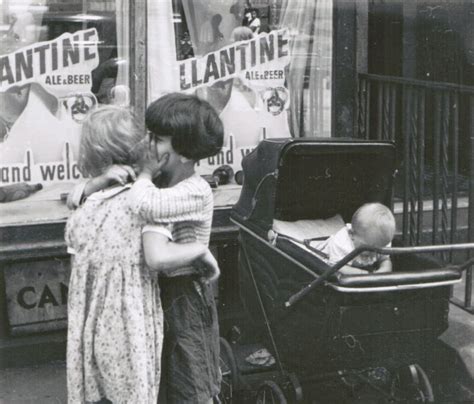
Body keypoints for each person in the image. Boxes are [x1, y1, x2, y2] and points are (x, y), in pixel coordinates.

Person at [65, 105, 220, 403]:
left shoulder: (187, 190)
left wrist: (143, 173)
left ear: (185, 152)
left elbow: (148, 211)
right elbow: (77, 198)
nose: (148, 144)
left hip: (183, 293)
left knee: (191, 380)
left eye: (158, 139)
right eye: (148, 138)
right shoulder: (152, 186)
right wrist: (102, 181)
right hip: (153, 292)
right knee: (159, 380)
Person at [313, 202, 396, 274]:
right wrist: (363, 274)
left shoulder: (382, 240)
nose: (373, 253)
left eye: (378, 248)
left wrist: (382, 271)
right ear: (351, 234)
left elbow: (385, 260)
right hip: (331, 258)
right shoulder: (342, 244)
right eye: (368, 248)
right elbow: (336, 267)